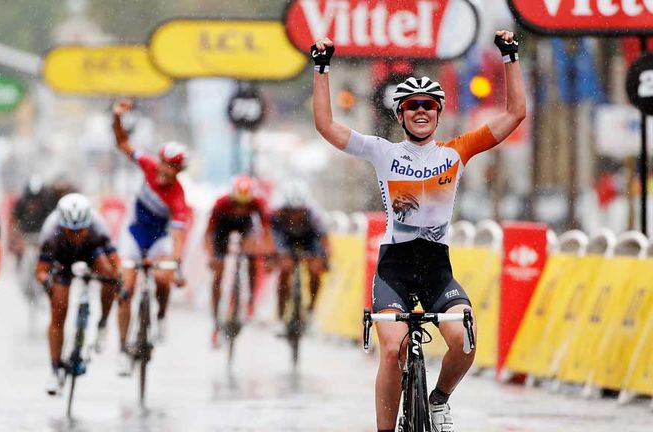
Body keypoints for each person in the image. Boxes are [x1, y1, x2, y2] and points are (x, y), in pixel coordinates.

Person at [311, 30, 525, 432]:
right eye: (412, 106)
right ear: (401, 114)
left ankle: (439, 399)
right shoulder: (382, 152)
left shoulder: (456, 152)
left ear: (439, 112)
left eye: (429, 105)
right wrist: (322, 68)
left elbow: (515, 114)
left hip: (435, 270)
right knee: (392, 348)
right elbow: (325, 124)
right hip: (393, 269)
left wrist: (511, 56)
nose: (421, 111)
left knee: (464, 339)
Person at [111, 99, 189, 372]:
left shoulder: (178, 198)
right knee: (125, 289)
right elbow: (122, 143)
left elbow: (178, 238)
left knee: (161, 277)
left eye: (171, 167)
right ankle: (122, 348)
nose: (164, 170)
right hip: (133, 233)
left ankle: (161, 315)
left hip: (159, 239)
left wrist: (177, 266)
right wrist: (117, 118)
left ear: (178, 171)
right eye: (164, 163)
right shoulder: (148, 165)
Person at [35, 193, 122, 395]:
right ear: (62, 225)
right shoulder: (51, 231)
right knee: (58, 310)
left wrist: (120, 283)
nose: (75, 235)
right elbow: (40, 270)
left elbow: (116, 263)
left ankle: (102, 323)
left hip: (92, 253)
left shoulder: (98, 227)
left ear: (88, 224)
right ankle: (55, 371)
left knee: (109, 277)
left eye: (80, 230)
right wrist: (48, 282)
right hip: (62, 260)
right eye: (70, 231)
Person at [205, 175, 274, 347]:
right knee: (218, 273)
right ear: (233, 196)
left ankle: (250, 300)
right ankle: (216, 319)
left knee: (252, 254)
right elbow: (209, 232)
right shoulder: (221, 203)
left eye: (245, 204)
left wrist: (268, 255)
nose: (241, 207)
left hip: (246, 227)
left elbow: (267, 232)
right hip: (223, 228)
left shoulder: (258, 203)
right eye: (238, 203)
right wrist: (211, 255)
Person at [270, 181, 330, 322]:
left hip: (309, 239)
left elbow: (324, 238)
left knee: (315, 270)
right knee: (285, 270)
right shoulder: (276, 214)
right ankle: (281, 312)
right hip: (286, 239)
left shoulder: (314, 214)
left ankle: (311, 309)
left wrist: (325, 257)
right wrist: (274, 256)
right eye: (290, 211)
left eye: (299, 211)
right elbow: (271, 238)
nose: (295, 215)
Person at [9, 174, 56, 268]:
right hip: (24, 238)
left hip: (42, 238)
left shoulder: (49, 207)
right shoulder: (20, 206)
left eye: (37, 199)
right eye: (31, 199)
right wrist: (16, 241)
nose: (34, 203)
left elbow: (54, 227)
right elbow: (12, 224)